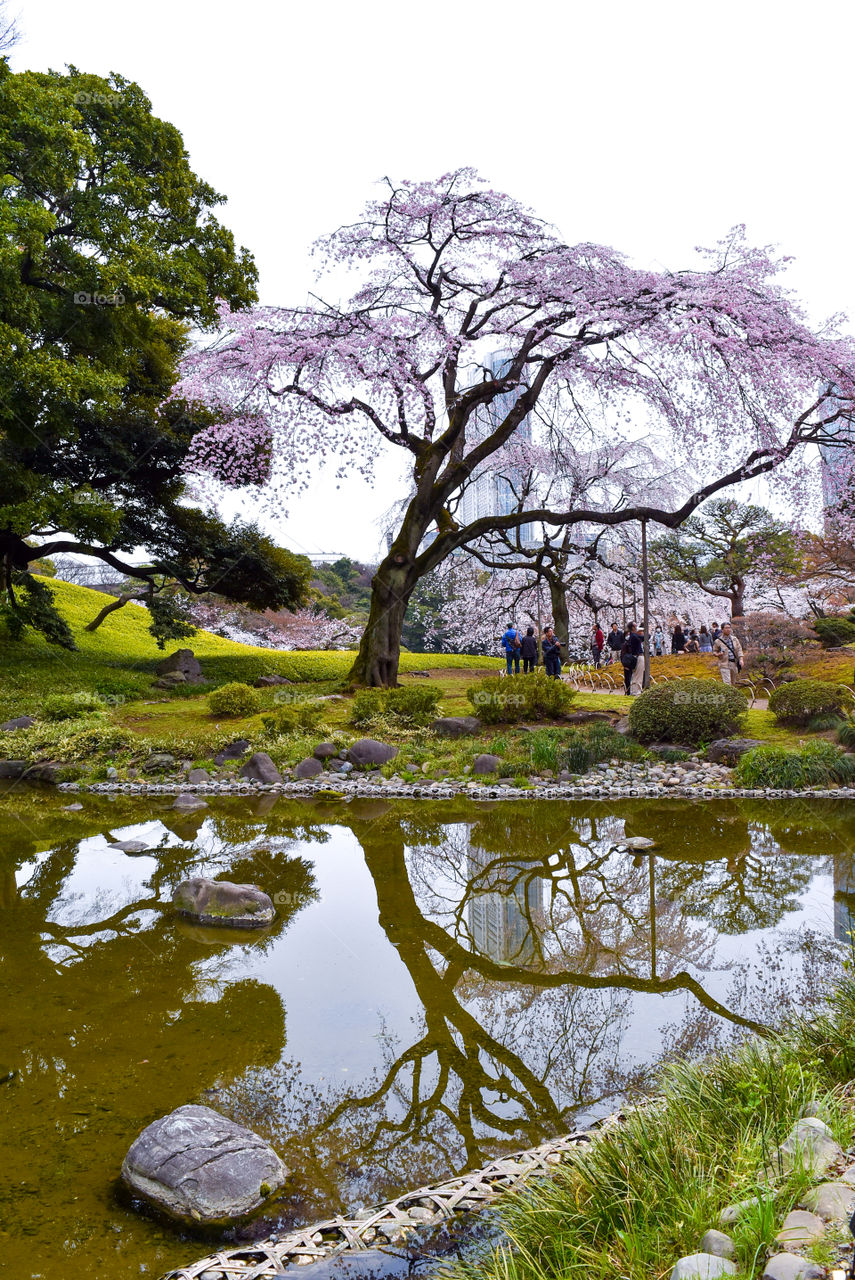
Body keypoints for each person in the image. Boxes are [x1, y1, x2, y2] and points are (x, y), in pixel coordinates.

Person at [620, 622, 644, 695]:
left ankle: (634, 691)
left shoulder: (632, 636)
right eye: (635, 626)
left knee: (635, 675)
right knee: (638, 675)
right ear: (633, 627)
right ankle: (636, 691)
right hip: (638, 656)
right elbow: (645, 637)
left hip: (636, 656)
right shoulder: (634, 636)